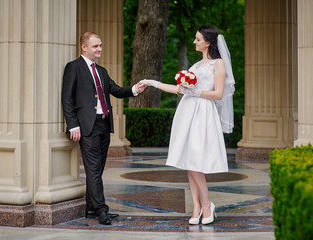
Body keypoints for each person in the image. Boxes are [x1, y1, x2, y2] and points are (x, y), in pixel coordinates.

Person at [142, 25, 235, 225]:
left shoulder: (218, 64)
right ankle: (197, 206)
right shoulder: (195, 66)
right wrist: (151, 83)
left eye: (198, 39)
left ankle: (207, 204)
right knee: (188, 159)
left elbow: (218, 94)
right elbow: (178, 89)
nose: (195, 42)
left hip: (203, 113)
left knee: (196, 160)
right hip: (186, 112)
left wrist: (195, 92)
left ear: (208, 42)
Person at [61, 32, 146, 225]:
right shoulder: (73, 68)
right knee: (92, 169)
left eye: (100, 45)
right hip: (86, 126)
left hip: (104, 124)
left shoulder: (102, 71)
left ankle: (91, 207)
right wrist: (72, 124)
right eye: (95, 46)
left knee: (97, 169)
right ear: (84, 47)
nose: (99, 49)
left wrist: (134, 89)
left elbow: (115, 90)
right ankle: (101, 209)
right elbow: (67, 98)